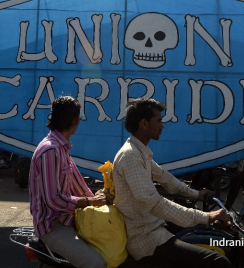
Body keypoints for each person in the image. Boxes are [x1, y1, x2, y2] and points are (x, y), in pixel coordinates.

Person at [113, 98, 231, 268]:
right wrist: (205, 217)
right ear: (144, 124)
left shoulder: (140, 152)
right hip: (146, 238)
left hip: (156, 226)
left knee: (216, 238)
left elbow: (165, 178)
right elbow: (154, 203)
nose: (162, 126)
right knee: (219, 262)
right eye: (159, 121)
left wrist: (196, 194)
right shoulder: (131, 155)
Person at [29, 96, 107, 268]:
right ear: (75, 120)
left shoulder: (62, 147)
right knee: (96, 263)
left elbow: (77, 184)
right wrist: (90, 201)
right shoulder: (50, 150)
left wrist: (100, 198)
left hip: (68, 219)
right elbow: (54, 199)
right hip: (53, 226)